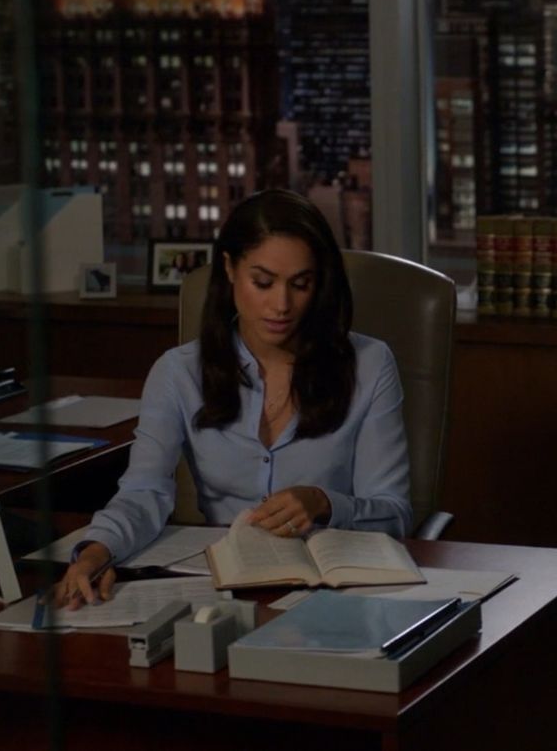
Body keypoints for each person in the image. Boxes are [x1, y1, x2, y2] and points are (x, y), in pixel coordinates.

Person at [55, 188, 412, 607]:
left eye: (300, 284)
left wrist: (324, 503)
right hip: (224, 591)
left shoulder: (370, 364)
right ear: (229, 269)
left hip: (338, 591)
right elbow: (144, 492)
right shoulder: (179, 373)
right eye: (262, 282)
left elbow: (395, 514)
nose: (281, 305)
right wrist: (95, 552)